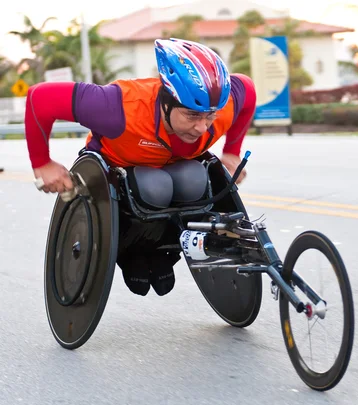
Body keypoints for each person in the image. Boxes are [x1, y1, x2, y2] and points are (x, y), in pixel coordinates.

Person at [24, 38, 257, 297]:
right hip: (122, 171)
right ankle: (130, 251)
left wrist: (232, 152)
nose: (203, 127)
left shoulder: (219, 108)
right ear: (166, 102)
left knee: (195, 179)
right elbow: (39, 98)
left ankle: (162, 251)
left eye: (210, 116)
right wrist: (42, 163)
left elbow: (247, 88)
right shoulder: (117, 107)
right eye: (192, 115)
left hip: (177, 169)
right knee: (154, 186)